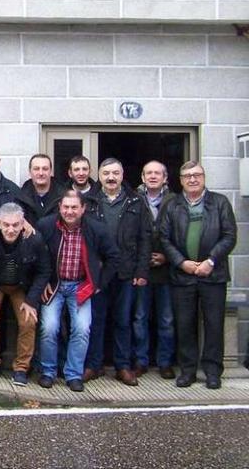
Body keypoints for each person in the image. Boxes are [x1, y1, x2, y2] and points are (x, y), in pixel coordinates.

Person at [161, 161, 236, 389]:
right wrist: (181, 262)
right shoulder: (172, 205)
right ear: (180, 180)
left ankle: (213, 372)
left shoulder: (220, 203)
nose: (192, 180)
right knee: (185, 325)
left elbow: (229, 235)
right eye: (187, 176)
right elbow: (164, 238)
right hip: (183, 276)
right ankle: (188, 371)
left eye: (196, 175)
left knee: (214, 325)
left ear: (203, 177)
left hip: (213, 275)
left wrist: (211, 261)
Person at [36, 190, 119, 392]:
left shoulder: (96, 229)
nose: (69, 211)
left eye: (74, 207)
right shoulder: (46, 226)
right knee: (49, 328)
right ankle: (48, 372)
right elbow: (35, 256)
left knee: (82, 329)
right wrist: (43, 282)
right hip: (54, 286)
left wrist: (99, 284)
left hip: (81, 287)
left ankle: (73, 374)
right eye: (66, 207)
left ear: (83, 209)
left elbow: (113, 257)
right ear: (59, 208)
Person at [83, 158, 151, 386]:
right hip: (98, 273)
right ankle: (94, 364)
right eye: (106, 173)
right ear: (99, 176)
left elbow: (145, 238)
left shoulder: (136, 201)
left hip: (125, 272)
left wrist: (142, 269)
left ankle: (123, 366)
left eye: (115, 173)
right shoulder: (89, 201)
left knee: (123, 320)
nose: (110, 177)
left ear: (122, 175)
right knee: (96, 320)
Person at [0, 202, 51, 386]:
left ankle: (22, 368)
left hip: (21, 287)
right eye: (6, 224)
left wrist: (32, 300)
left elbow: (44, 271)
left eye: (15, 225)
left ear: (23, 223)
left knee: (29, 320)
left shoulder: (35, 239)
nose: (10, 229)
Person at [134, 160, 177, 379]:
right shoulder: (133, 199)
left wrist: (167, 257)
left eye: (157, 173)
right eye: (148, 173)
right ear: (142, 177)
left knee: (166, 319)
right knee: (140, 317)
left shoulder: (175, 201)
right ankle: (141, 361)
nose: (152, 176)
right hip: (141, 270)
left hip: (166, 271)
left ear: (165, 178)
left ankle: (165, 362)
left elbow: (180, 235)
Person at [16, 154, 65, 226]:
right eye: (36, 169)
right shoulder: (20, 198)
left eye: (45, 169)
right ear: (30, 171)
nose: (41, 173)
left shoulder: (64, 197)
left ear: (51, 171)